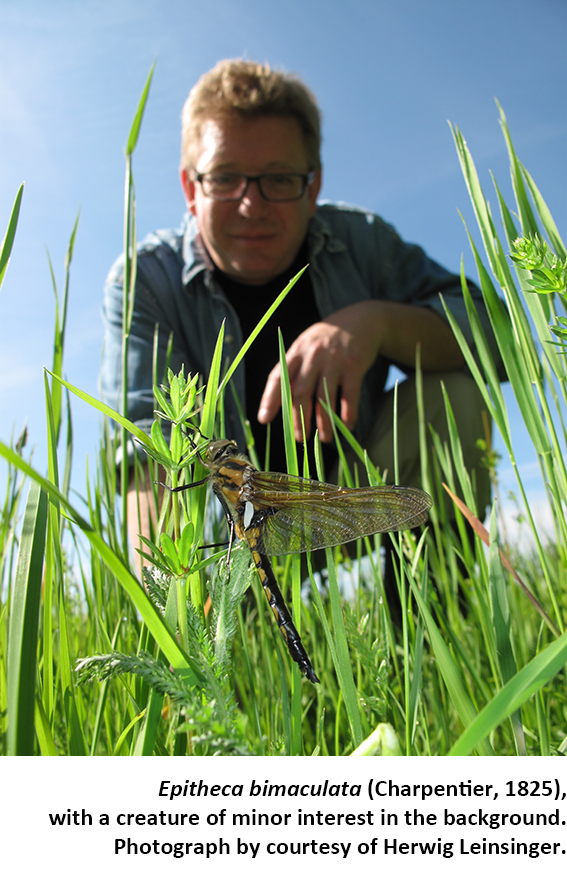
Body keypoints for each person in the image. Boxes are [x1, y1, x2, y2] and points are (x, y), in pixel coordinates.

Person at [101, 58, 501, 567]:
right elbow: (146, 459)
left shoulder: (362, 242)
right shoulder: (145, 281)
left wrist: (376, 322)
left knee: (455, 394)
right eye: (224, 178)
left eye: (280, 179)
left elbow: (500, 338)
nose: (252, 205)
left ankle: (435, 630)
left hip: (351, 497)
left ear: (312, 187)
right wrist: (170, 590)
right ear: (190, 189)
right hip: (222, 535)